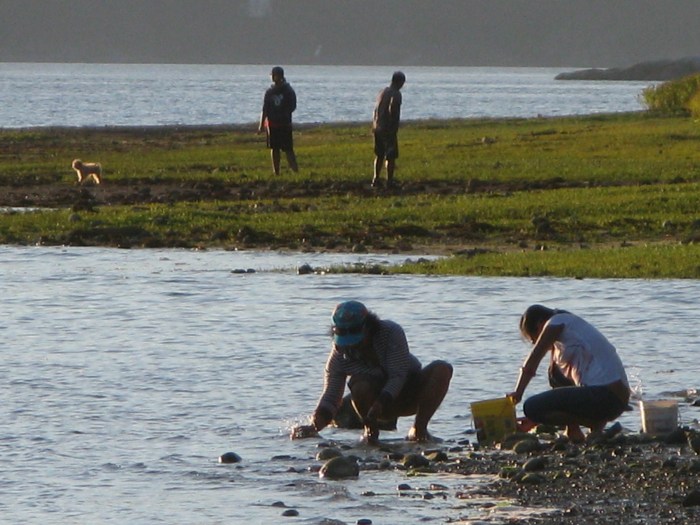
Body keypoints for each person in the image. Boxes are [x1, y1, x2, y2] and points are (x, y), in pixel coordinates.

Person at [290, 300, 453, 443]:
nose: (352, 347)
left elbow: (398, 376)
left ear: (368, 327)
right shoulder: (339, 355)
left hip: (408, 392)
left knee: (442, 369)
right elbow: (331, 396)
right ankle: (371, 433)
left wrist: (380, 404)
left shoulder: (391, 332)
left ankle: (419, 430)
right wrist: (313, 427)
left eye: (357, 340)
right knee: (359, 386)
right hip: (371, 406)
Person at [509, 304, 630, 443]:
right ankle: (580, 430)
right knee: (554, 378)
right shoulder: (570, 330)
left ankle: (594, 425)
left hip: (605, 395)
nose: (536, 342)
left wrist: (518, 393)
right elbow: (560, 383)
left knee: (531, 406)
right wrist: (537, 420)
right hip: (616, 400)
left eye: (534, 339)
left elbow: (534, 358)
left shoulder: (555, 322)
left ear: (540, 325)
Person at [258, 66, 299, 176]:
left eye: (274, 75)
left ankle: (295, 171)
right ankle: (276, 172)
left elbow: (292, 106)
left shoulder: (288, 91)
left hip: (284, 124)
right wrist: (261, 125)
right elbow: (265, 109)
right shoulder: (269, 92)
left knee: (288, 149)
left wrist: (283, 115)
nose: (272, 77)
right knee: (274, 149)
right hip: (272, 124)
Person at [371, 71, 405, 188]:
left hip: (377, 127)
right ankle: (389, 181)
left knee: (379, 154)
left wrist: (375, 124)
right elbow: (393, 109)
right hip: (387, 128)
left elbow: (375, 110)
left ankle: (376, 178)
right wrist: (394, 126)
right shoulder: (396, 94)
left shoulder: (382, 92)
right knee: (391, 156)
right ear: (400, 82)